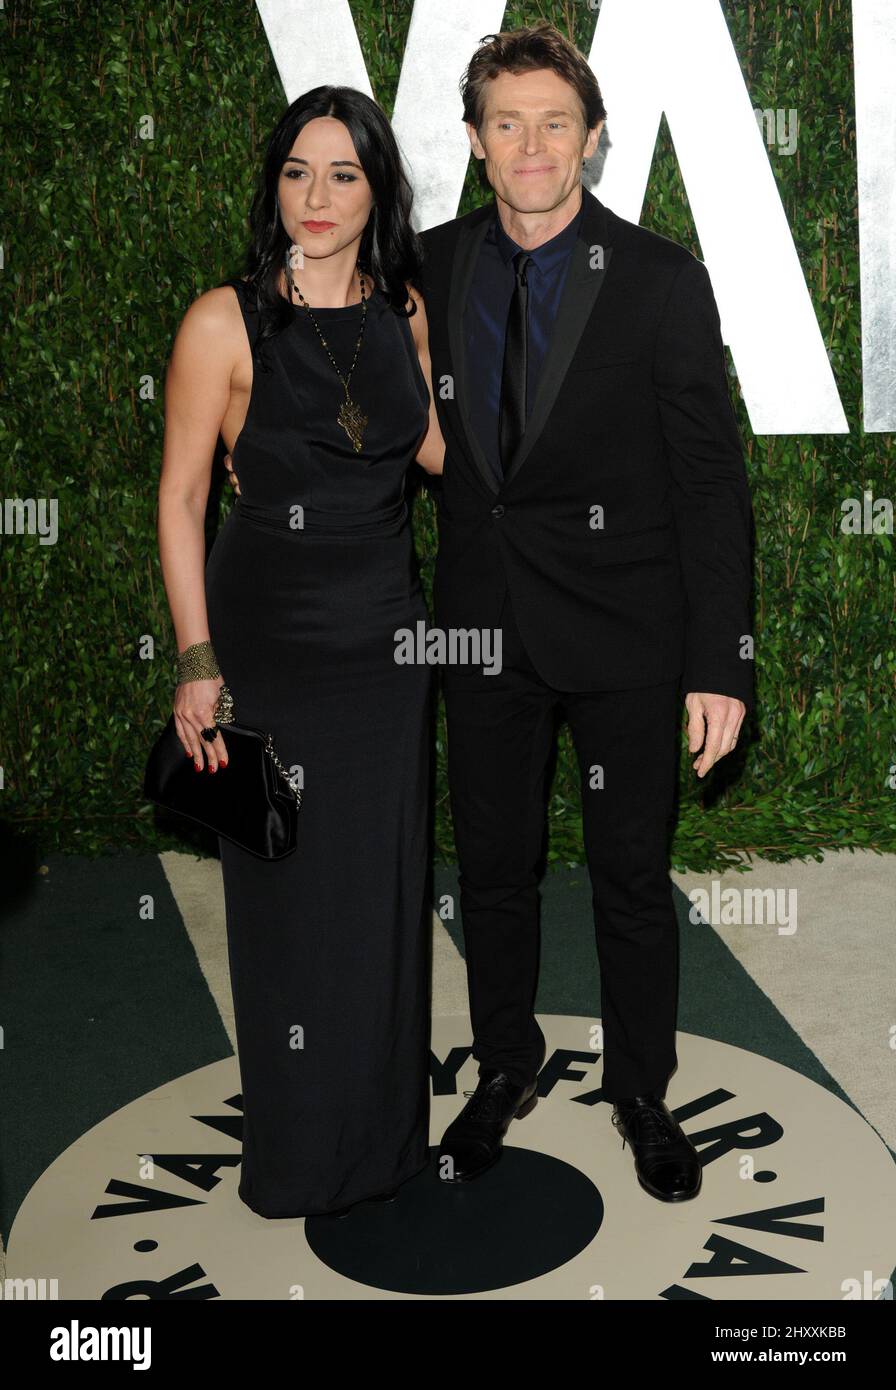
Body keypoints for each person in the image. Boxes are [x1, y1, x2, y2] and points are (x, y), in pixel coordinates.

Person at [227, 22, 756, 1205]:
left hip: (627, 635)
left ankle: (641, 1092)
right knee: (496, 871)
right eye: (504, 123)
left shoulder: (662, 281)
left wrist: (719, 662)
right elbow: (336, 387)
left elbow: (711, 483)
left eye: (552, 123)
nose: (529, 145)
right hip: (475, 634)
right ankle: (504, 1063)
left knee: (628, 876)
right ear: (473, 142)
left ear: (593, 139)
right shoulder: (430, 271)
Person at [156, 85, 444, 1218]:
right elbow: (181, 499)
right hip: (268, 639)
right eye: (296, 172)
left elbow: (435, 454)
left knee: (379, 888)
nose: (315, 199)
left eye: (343, 175)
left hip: (385, 641)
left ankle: (380, 1146)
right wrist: (195, 659)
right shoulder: (220, 321)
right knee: (282, 888)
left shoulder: (405, 311)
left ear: (377, 190)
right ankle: (297, 1153)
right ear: (271, 183)